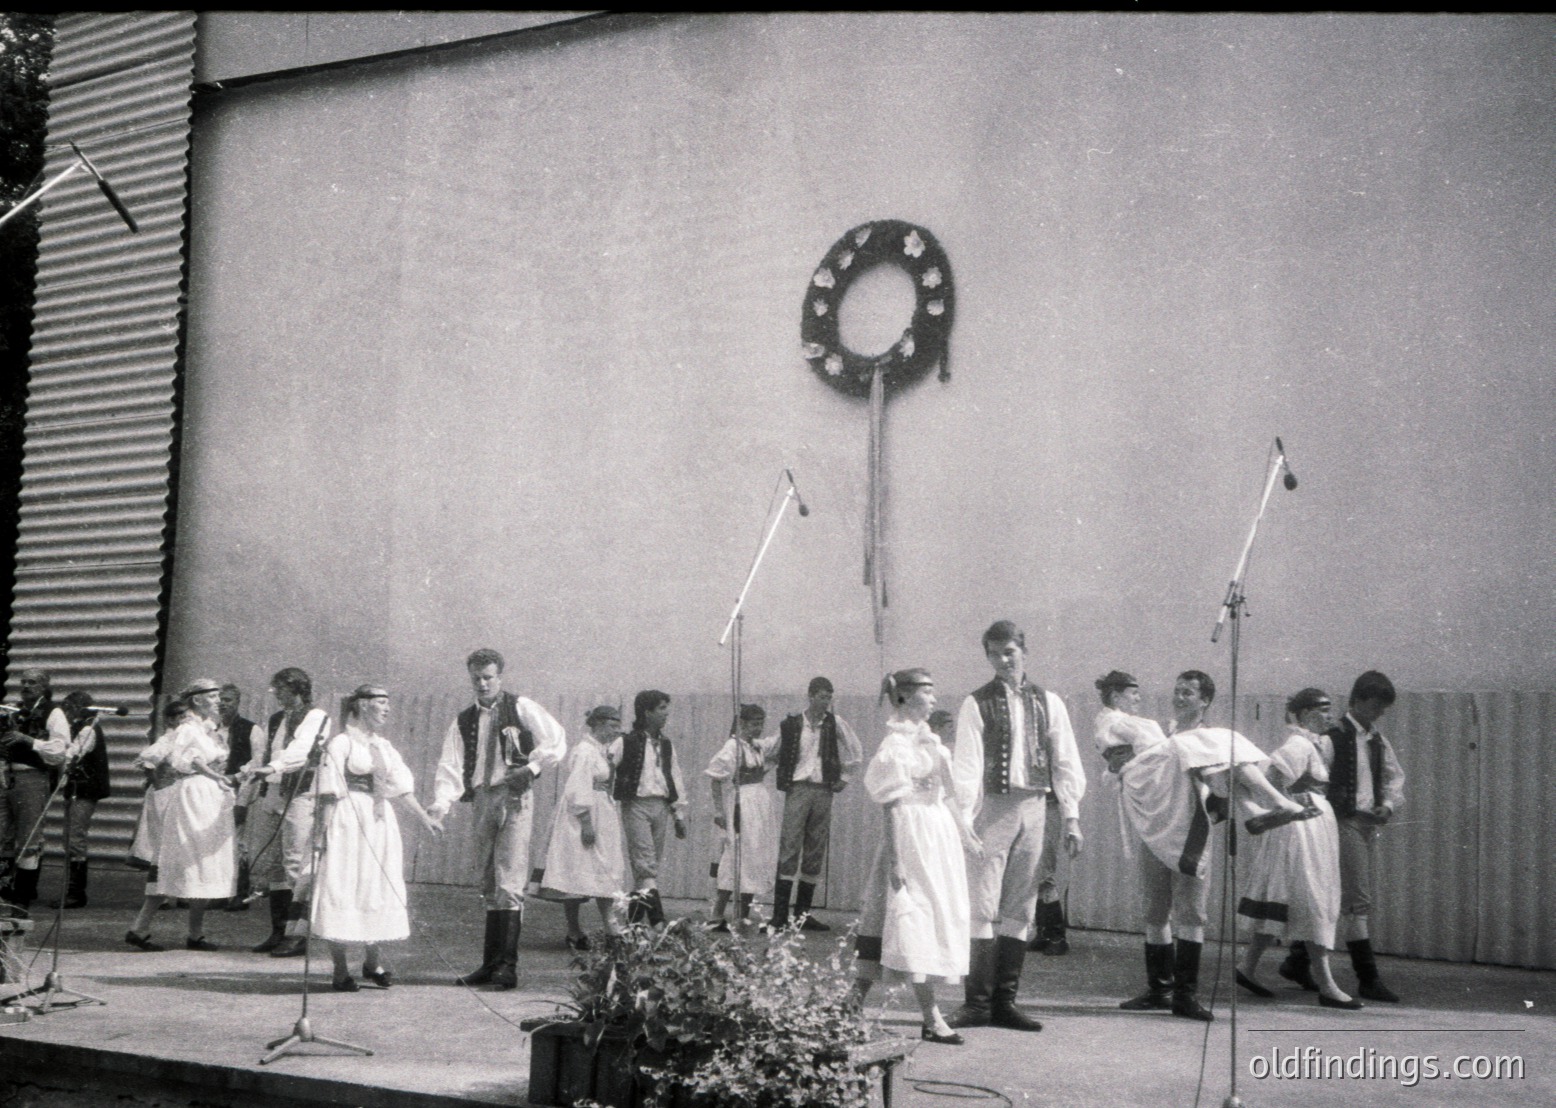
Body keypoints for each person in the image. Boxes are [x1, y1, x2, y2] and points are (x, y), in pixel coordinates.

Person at [1097, 669, 1309, 1021]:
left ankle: (1185, 994)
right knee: (1154, 910)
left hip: (1192, 830)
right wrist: (1116, 766)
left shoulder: (1207, 738)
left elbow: (1223, 786)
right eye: (1178, 691)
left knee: (1192, 913)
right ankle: (1159, 988)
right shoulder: (1160, 735)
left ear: (1205, 701)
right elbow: (1119, 768)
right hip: (1155, 827)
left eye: (1189, 693)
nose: (1180, 697)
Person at [947, 621, 1085, 1032]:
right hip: (994, 807)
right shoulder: (977, 703)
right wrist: (965, 820)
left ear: (1024, 651)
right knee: (983, 903)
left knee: (1021, 905)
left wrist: (1073, 817)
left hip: (1035, 807)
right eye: (994, 653)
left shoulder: (1050, 702)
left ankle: (1005, 1002)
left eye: (1009, 652)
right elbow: (967, 766)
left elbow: (1066, 761)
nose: (1003, 660)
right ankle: (977, 1003)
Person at [852, 669, 980, 1045]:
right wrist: (895, 860)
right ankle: (854, 1008)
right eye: (928, 691)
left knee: (928, 924)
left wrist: (966, 832)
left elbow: (950, 796)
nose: (935, 699)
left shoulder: (934, 745)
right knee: (901, 922)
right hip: (909, 840)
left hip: (937, 839)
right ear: (905, 697)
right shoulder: (895, 748)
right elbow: (890, 807)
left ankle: (928, 1016)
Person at [426, 648, 566, 990]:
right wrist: (440, 806)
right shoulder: (464, 720)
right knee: (488, 883)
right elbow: (450, 765)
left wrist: (531, 768)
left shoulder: (520, 707)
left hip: (514, 795)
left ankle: (507, 966)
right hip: (483, 799)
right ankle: (489, 965)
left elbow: (557, 741)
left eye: (488, 677)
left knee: (510, 881)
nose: (482, 683)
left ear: (499, 677)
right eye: (476, 678)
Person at [1279, 670, 1405, 1003]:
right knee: (1356, 899)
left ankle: (1296, 961)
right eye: (1377, 706)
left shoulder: (1377, 739)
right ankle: (1367, 978)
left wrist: (1388, 805)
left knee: (1332, 895)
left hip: (1365, 824)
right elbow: (1307, 775)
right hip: (1340, 822)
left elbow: (1394, 777)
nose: (1380, 713)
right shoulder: (1331, 737)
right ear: (1359, 700)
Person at [1236, 688, 1360, 1009]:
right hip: (1302, 829)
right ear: (1304, 714)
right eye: (1322, 710)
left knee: (1287, 899)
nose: (1329, 715)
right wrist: (1290, 805)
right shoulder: (1300, 743)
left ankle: (1247, 967)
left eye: (1330, 709)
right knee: (1313, 897)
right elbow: (1275, 777)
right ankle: (1326, 984)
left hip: (1314, 825)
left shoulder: (1318, 745)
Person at [312, 685, 436, 991]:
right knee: (343, 886)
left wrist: (425, 819)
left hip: (379, 824)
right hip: (347, 821)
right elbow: (328, 791)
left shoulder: (383, 746)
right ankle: (340, 970)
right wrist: (320, 835)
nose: (387, 709)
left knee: (376, 886)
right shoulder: (340, 743)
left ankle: (372, 962)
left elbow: (402, 787)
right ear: (363, 705)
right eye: (381, 703)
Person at [125, 683, 238, 951]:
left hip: (210, 795)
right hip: (194, 795)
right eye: (212, 696)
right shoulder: (188, 728)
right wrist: (216, 776)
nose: (218, 700)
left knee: (203, 860)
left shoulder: (208, 728)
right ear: (197, 701)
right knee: (176, 860)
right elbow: (190, 760)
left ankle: (195, 934)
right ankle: (139, 929)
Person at [238, 668, 330, 956]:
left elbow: (302, 751)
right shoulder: (276, 719)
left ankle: (296, 935)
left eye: (280, 688)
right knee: (272, 864)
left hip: (300, 794)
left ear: (297, 688)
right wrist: (250, 774)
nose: (276, 693)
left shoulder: (318, 717)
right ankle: (278, 931)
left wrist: (274, 767)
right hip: (273, 793)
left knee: (294, 862)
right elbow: (264, 754)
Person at [769, 677, 862, 932]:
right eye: (822, 696)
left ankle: (802, 915)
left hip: (823, 790)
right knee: (789, 846)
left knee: (815, 849)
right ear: (810, 696)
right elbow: (772, 751)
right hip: (798, 789)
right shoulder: (791, 724)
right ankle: (779, 916)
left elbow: (856, 751)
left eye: (829, 697)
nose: (826, 701)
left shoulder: (835, 723)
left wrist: (844, 778)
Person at [537, 705, 627, 949]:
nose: (616, 731)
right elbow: (577, 788)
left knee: (605, 868)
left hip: (602, 813)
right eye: (611, 725)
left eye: (618, 726)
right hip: (583, 815)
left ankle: (611, 929)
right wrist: (586, 823)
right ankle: (576, 931)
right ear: (597, 724)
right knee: (576, 870)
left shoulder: (601, 750)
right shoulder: (584, 751)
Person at [610, 690, 687, 926]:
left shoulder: (666, 744)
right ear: (647, 712)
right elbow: (605, 767)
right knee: (645, 866)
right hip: (636, 805)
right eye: (662, 708)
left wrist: (678, 813)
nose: (667, 713)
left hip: (661, 807)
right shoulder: (626, 741)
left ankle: (632, 925)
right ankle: (658, 922)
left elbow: (674, 777)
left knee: (647, 869)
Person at [0, 668, 71, 913]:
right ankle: (5, 890)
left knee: (28, 837)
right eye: (23, 682)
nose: (26, 686)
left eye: (32, 682)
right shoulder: (13, 708)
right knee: (2, 836)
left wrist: (29, 741)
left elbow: (60, 750)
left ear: (43, 686)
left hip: (31, 776)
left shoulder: (54, 712)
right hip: (5, 775)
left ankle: (22, 897)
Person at [706, 704, 779, 931]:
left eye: (760, 723)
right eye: (754, 723)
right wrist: (719, 811)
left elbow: (775, 746)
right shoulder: (733, 747)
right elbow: (715, 778)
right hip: (742, 802)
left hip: (759, 803)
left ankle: (742, 915)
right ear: (743, 723)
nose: (758, 728)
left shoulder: (756, 747)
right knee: (736, 854)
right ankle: (717, 914)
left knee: (755, 856)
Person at [50, 692, 112, 910]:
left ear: (78, 707)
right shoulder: (82, 727)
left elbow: (73, 753)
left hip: (85, 790)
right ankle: (72, 890)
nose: (67, 711)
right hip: (77, 789)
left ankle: (76, 893)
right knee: (69, 837)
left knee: (75, 838)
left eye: (69, 707)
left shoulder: (87, 729)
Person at [216, 684, 255, 911]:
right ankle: (219, 893)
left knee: (239, 844)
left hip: (239, 791)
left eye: (228, 700)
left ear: (238, 702)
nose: (222, 703)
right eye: (219, 699)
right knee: (216, 842)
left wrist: (241, 793)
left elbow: (256, 762)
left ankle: (240, 894)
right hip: (213, 793)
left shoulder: (251, 729)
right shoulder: (210, 730)